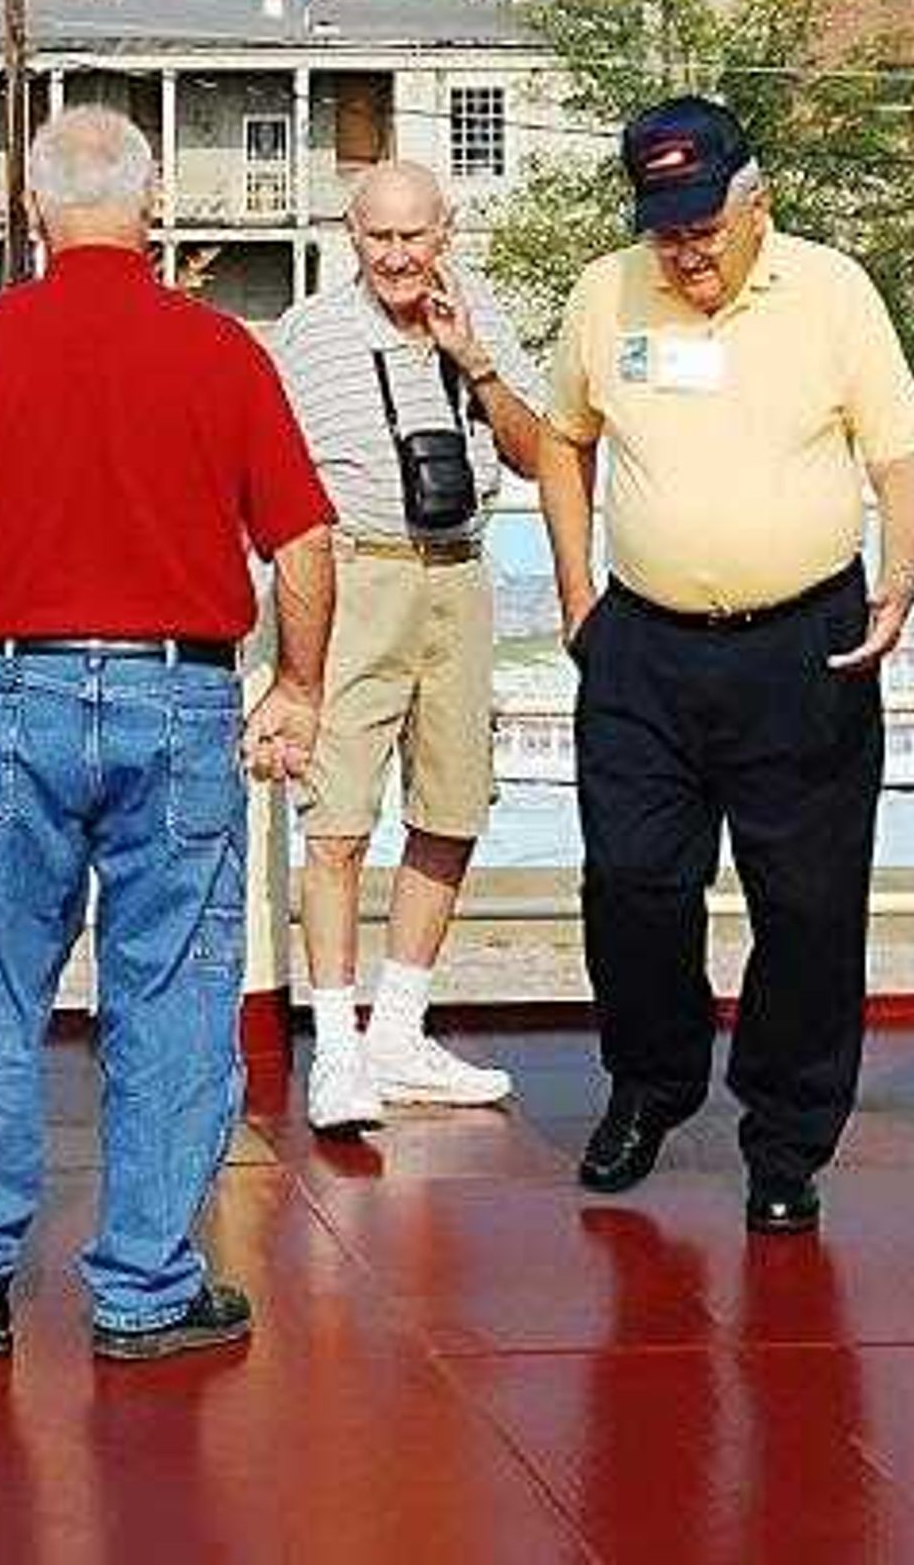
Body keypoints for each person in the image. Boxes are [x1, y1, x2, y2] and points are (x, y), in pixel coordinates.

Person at [0, 106, 335, 1364]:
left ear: (29, 207)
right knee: (171, 996)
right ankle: (145, 1284)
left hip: (14, 695)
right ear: (155, 197)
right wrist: (295, 684)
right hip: (180, 702)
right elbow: (304, 542)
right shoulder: (222, 353)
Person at [539, 96, 914, 1234]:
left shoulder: (832, 292)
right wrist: (576, 591)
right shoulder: (603, 293)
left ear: (755, 201)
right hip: (643, 648)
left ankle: (786, 1138)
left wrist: (899, 574)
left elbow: (902, 463)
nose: (688, 251)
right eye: (667, 229)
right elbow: (565, 442)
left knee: (808, 907)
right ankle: (650, 1085)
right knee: (631, 884)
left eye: (705, 225)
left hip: (806, 645)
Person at [266, 157, 555, 1133]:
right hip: (355, 575)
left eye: (413, 236)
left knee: (452, 799)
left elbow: (538, 448)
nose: (396, 257)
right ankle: (338, 1052)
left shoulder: (481, 315)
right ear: (352, 237)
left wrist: (474, 363)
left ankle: (400, 1027)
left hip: (461, 573)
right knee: (338, 816)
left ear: (447, 233)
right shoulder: (306, 335)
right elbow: (261, 477)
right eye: (377, 237)